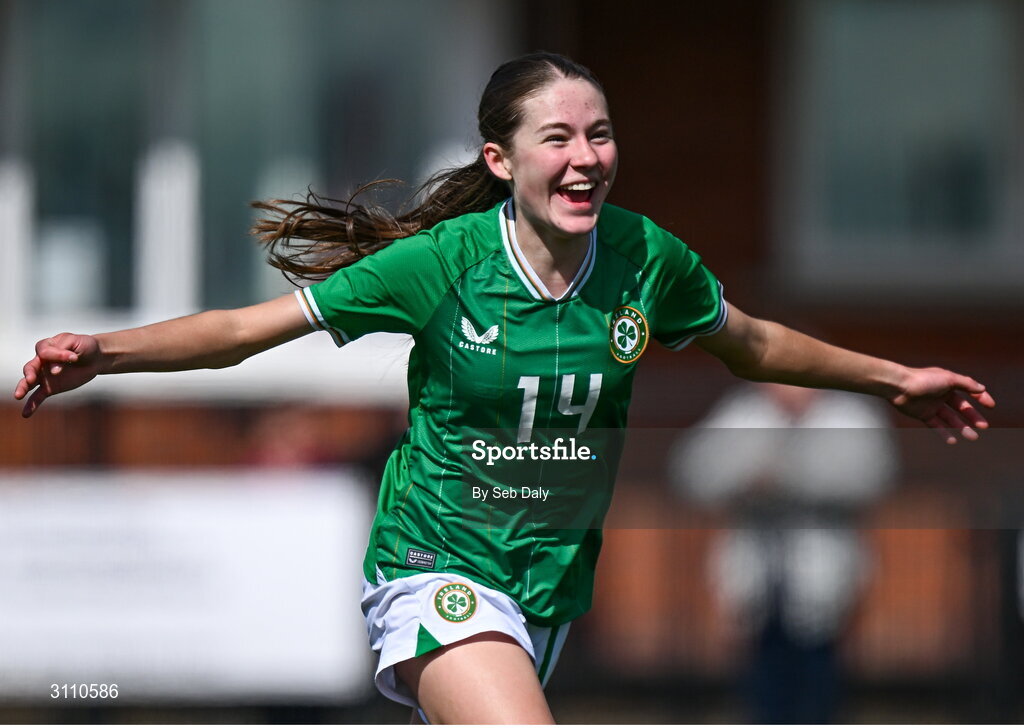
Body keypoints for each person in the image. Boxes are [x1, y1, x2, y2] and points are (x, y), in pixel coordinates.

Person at [13, 52, 994, 724]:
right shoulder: (443, 263)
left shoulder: (647, 259)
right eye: (557, 138)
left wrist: (892, 377)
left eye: (599, 135)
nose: (584, 158)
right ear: (501, 159)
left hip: (548, 590)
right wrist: (107, 348)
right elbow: (241, 331)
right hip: (435, 565)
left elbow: (753, 341)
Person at [670, 382, 898, 722]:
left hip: (824, 558)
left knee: (820, 672)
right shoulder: (743, 411)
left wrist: (789, 480)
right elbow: (693, 472)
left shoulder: (847, 414)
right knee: (761, 674)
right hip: (754, 559)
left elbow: (873, 475)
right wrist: (746, 479)